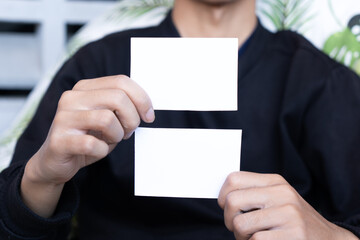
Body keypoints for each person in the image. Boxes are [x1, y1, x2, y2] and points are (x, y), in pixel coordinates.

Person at [0, 0, 359, 239]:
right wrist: (41, 175)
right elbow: (12, 223)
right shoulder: (97, 67)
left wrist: (330, 234)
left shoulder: (319, 81)